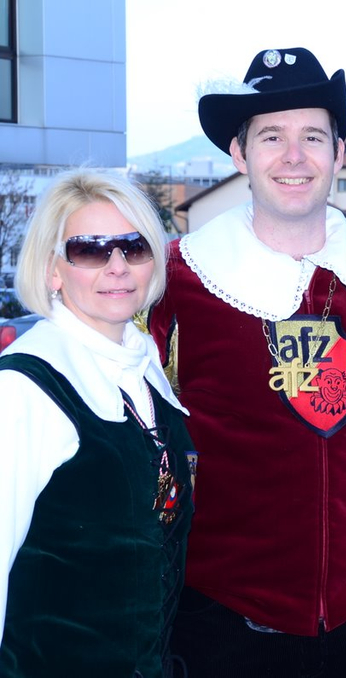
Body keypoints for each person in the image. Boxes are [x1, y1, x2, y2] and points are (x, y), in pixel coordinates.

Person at [148, 48, 346, 676]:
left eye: (313, 137)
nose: (294, 156)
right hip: (222, 624)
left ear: (340, 152)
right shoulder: (175, 281)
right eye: (271, 136)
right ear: (239, 154)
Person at [0, 169, 194, 676]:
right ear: (53, 270)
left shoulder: (145, 370)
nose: (118, 266)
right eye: (90, 250)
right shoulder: (24, 388)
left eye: (134, 246)